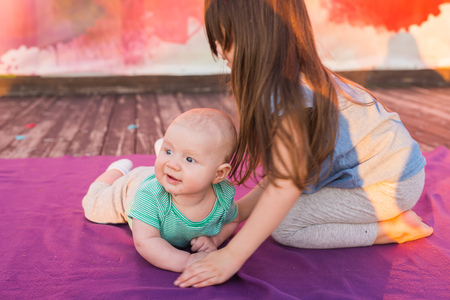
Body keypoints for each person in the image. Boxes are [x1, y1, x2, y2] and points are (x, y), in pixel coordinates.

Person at [174, 0, 434, 288]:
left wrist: (232, 256)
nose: (220, 51)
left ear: (256, 35)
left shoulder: (287, 96)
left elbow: (286, 185)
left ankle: (394, 228)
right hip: (386, 169)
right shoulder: (290, 76)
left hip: (388, 185)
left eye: (226, 39)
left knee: (287, 226)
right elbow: (280, 176)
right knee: (278, 208)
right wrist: (230, 219)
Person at [82, 108, 239, 273]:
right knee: (92, 206)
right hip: (132, 186)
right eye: (169, 151)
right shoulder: (149, 196)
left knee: (168, 166)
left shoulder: (224, 195)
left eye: (189, 159)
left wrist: (214, 240)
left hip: (168, 177)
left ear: (219, 173)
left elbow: (232, 221)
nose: (172, 164)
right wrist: (187, 261)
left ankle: (166, 149)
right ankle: (115, 171)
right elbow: (147, 241)